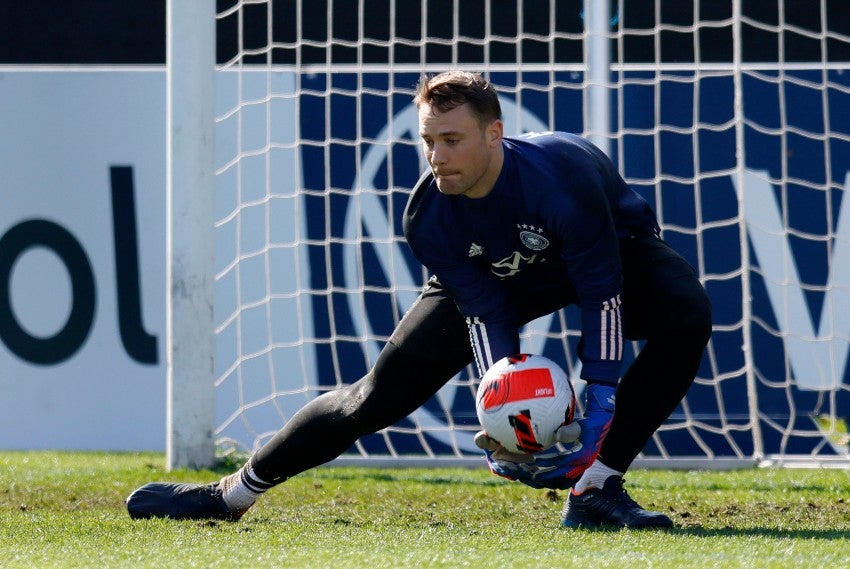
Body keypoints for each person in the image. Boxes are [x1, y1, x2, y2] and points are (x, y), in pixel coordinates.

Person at [126, 70, 712, 529]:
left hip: (613, 256)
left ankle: (597, 489)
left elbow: (601, 291)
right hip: (498, 278)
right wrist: (499, 407)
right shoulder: (429, 215)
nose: (437, 157)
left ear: (493, 133)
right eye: (428, 141)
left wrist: (601, 396)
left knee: (686, 313)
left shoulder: (563, 178)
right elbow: (488, 313)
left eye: (452, 140)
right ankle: (229, 497)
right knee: (371, 398)